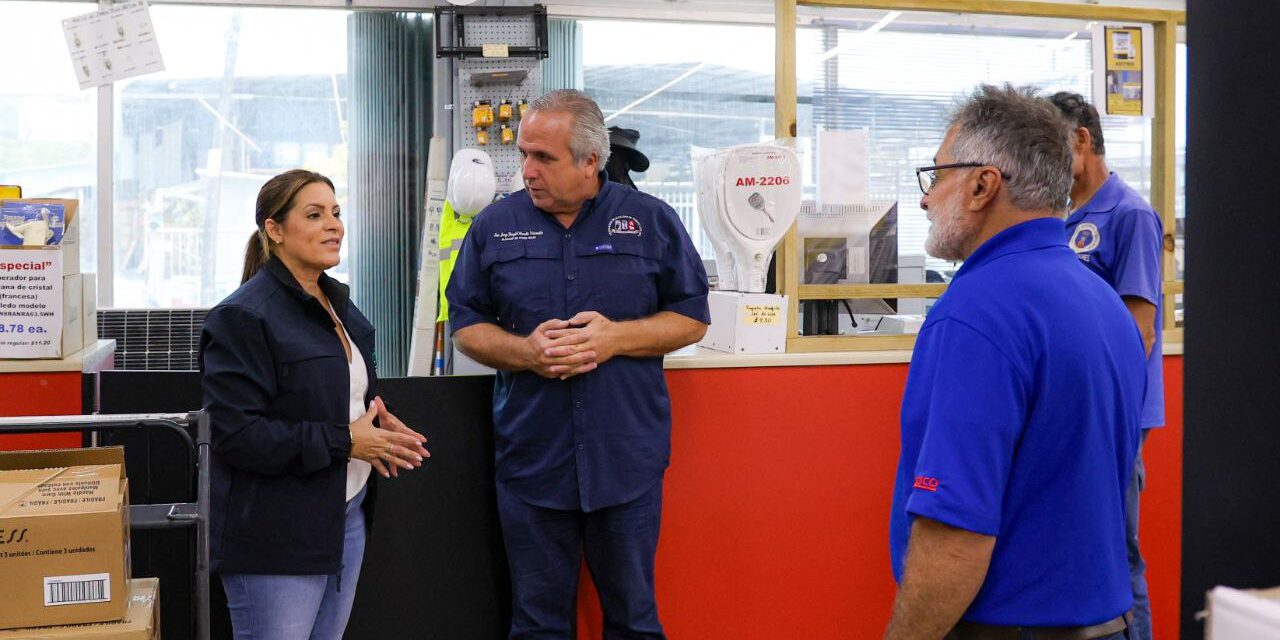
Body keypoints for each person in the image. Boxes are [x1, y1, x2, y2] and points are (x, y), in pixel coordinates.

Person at [884, 85, 1147, 640]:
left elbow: (955, 531)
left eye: (936, 176)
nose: (926, 199)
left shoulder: (977, 313)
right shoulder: (1101, 300)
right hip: (1107, 622)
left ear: (983, 184)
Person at [446, 89, 709, 640]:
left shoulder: (651, 222)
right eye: (523, 154)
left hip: (626, 461)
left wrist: (616, 338)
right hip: (532, 462)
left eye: (544, 157)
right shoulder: (494, 227)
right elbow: (466, 325)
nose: (527, 170)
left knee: (635, 622)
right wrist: (525, 353)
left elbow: (691, 318)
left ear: (591, 161)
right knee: (537, 625)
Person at [200, 169, 430, 640]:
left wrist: (377, 427)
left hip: (345, 514)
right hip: (276, 535)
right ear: (275, 230)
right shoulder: (242, 316)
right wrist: (348, 441)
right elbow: (239, 436)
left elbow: (336, 394)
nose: (334, 225)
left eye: (336, 213)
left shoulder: (335, 302)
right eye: (314, 214)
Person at [1051, 90, 1165, 640]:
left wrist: (1107, 413)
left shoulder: (1131, 214)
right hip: (1075, 415)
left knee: (1120, 552)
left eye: (1051, 145)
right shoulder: (1065, 219)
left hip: (1114, 415)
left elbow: (1136, 331)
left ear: (1081, 139)